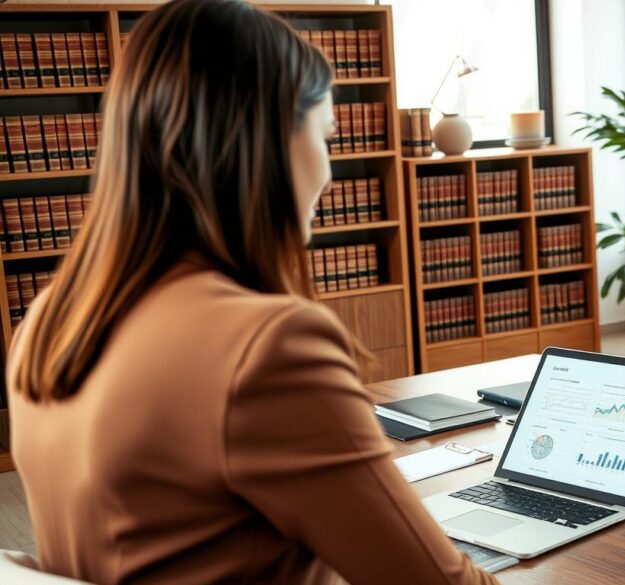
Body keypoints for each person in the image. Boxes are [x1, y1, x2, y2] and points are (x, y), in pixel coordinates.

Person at [6, 1, 495, 583]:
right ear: (266, 143)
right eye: (325, 137)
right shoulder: (268, 345)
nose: (329, 174)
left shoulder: (46, 323)